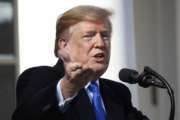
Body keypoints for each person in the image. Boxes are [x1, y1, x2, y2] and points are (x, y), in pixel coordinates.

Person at [12, 5, 149, 120]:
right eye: (89, 36)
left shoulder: (118, 93)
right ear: (64, 45)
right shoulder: (40, 78)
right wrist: (67, 88)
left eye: (105, 36)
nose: (100, 43)